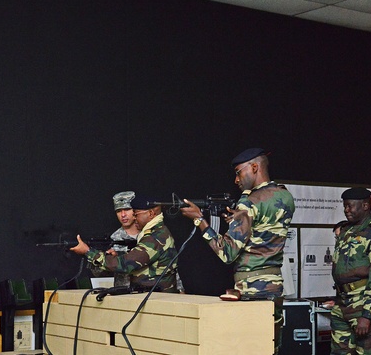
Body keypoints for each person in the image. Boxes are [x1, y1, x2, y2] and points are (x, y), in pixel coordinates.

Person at [179, 147, 295, 353]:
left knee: (248, 347)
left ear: (254, 167)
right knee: (271, 346)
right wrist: (240, 221)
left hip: (251, 288)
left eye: (239, 172)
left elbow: (227, 253)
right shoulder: (284, 195)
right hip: (274, 286)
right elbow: (264, 230)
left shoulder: (248, 201)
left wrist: (199, 221)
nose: (236, 180)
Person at [329, 187, 371, 355]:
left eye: (350, 206)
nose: (346, 210)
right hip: (342, 305)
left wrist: (366, 315)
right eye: (345, 206)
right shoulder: (346, 231)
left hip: (363, 306)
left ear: (365, 206)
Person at [70, 196, 179, 293]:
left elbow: (126, 264)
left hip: (157, 300)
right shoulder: (158, 232)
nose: (134, 218)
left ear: (150, 213)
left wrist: (89, 252)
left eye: (136, 214)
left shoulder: (155, 237)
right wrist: (118, 255)